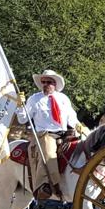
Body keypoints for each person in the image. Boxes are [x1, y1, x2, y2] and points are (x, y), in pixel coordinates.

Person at [15, 69, 82, 200]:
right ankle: (47, 185)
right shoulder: (34, 99)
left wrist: (79, 127)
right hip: (45, 135)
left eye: (48, 82)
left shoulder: (63, 98)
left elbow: (71, 118)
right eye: (43, 82)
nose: (45, 84)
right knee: (49, 153)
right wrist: (19, 105)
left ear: (55, 84)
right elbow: (23, 119)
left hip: (64, 134)